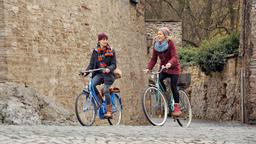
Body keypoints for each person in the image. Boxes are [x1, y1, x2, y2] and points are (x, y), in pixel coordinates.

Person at [144, 27, 182, 117]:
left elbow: (174, 57)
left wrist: (170, 63)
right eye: (158, 34)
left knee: (173, 86)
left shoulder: (170, 43)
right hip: (164, 68)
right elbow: (153, 59)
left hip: (173, 68)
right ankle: (165, 95)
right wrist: (148, 68)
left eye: (160, 34)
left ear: (165, 35)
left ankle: (177, 107)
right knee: (159, 80)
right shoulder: (156, 45)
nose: (158, 35)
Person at [84, 32, 116, 118]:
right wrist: (85, 72)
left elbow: (114, 64)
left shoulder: (111, 50)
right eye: (103, 39)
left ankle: (109, 111)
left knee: (106, 90)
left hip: (108, 75)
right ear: (99, 41)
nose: (105, 41)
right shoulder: (95, 51)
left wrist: (109, 68)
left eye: (106, 39)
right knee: (91, 85)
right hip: (99, 74)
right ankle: (101, 103)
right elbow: (91, 65)